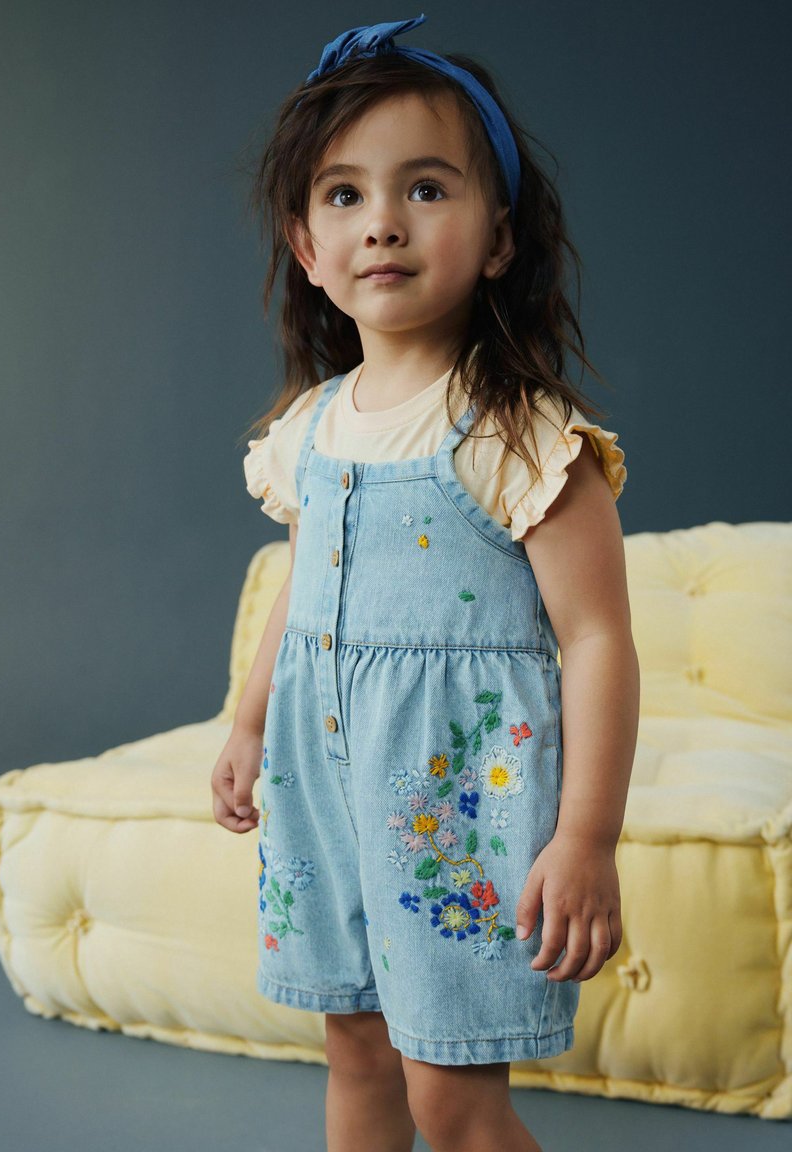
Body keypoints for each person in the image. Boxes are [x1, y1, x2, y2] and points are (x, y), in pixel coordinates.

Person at [212, 15, 640, 1152]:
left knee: (449, 1095)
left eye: (427, 188)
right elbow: (304, 584)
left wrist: (588, 837)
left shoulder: (516, 433)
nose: (383, 221)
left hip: (452, 807)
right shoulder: (308, 428)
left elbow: (597, 639)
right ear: (307, 246)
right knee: (355, 1052)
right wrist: (248, 721)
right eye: (344, 194)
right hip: (323, 793)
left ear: (498, 238)